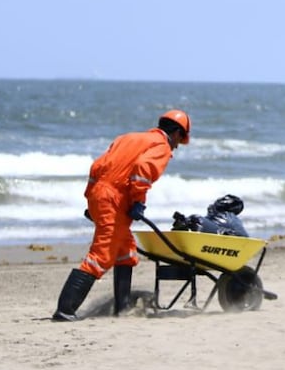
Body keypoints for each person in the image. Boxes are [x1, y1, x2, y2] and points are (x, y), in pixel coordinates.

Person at [52, 109, 191, 321]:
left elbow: (97, 166)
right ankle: (65, 310)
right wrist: (138, 201)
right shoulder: (161, 145)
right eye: (180, 141)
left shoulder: (128, 138)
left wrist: (93, 200)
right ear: (177, 133)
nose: (177, 146)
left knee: (126, 253)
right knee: (101, 255)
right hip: (114, 200)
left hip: (100, 194)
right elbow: (143, 169)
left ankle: (122, 309)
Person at [172, 194, 249, 237]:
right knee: (194, 221)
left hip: (224, 237)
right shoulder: (235, 220)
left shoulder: (228, 217)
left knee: (195, 219)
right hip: (240, 241)